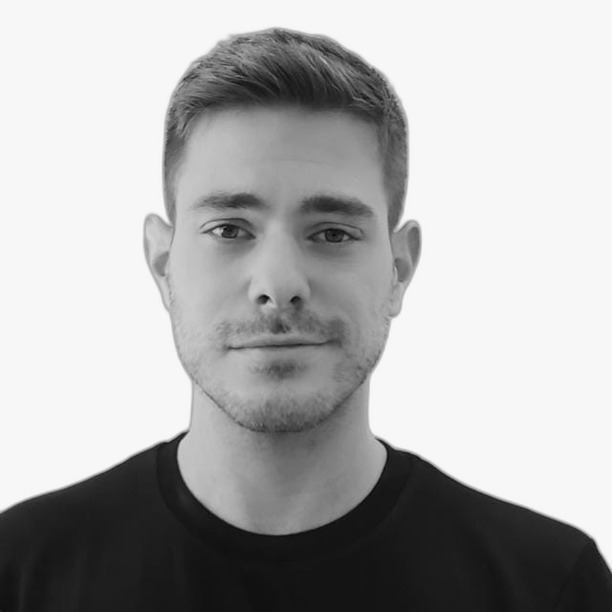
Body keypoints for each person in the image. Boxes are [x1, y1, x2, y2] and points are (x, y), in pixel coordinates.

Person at [1, 27, 611, 611]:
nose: (279, 285)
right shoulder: (21, 572)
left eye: (332, 233)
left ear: (399, 269)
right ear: (163, 264)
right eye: (229, 229)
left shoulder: (549, 588)